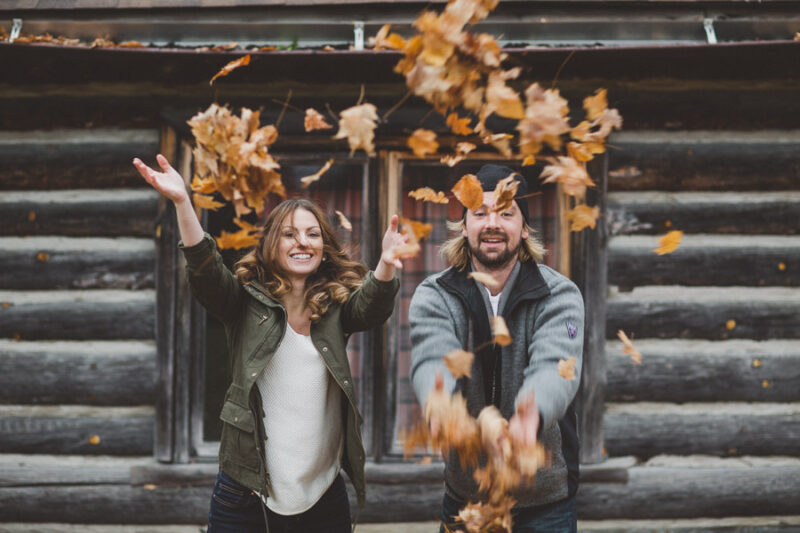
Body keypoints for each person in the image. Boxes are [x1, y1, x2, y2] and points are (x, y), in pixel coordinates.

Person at [133, 154, 404, 533]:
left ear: (324, 246)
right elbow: (207, 269)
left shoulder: (335, 308)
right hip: (246, 493)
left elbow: (371, 308)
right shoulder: (243, 302)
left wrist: (386, 264)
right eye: (290, 234)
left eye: (312, 234)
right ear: (272, 244)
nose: (302, 242)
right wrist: (182, 203)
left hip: (322, 495)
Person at [409, 164, 584, 532]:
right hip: (467, 494)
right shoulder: (435, 294)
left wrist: (530, 414)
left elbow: (556, 363)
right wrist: (439, 399)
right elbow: (432, 354)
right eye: (480, 213)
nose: (493, 223)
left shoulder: (560, 294)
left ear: (523, 228)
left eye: (506, 213)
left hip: (544, 498)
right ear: (464, 225)